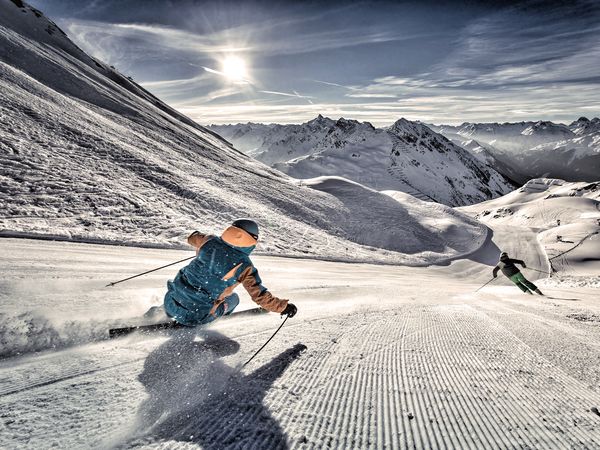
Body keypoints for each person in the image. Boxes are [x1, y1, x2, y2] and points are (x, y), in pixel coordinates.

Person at [156, 218, 297, 326]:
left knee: (188, 290)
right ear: (252, 240)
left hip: (169, 301)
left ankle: (170, 309)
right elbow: (259, 296)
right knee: (234, 299)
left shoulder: (209, 241)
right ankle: (214, 315)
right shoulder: (245, 266)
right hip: (197, 316)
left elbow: (192, 238)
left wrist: (204, 242)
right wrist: (283, 307)